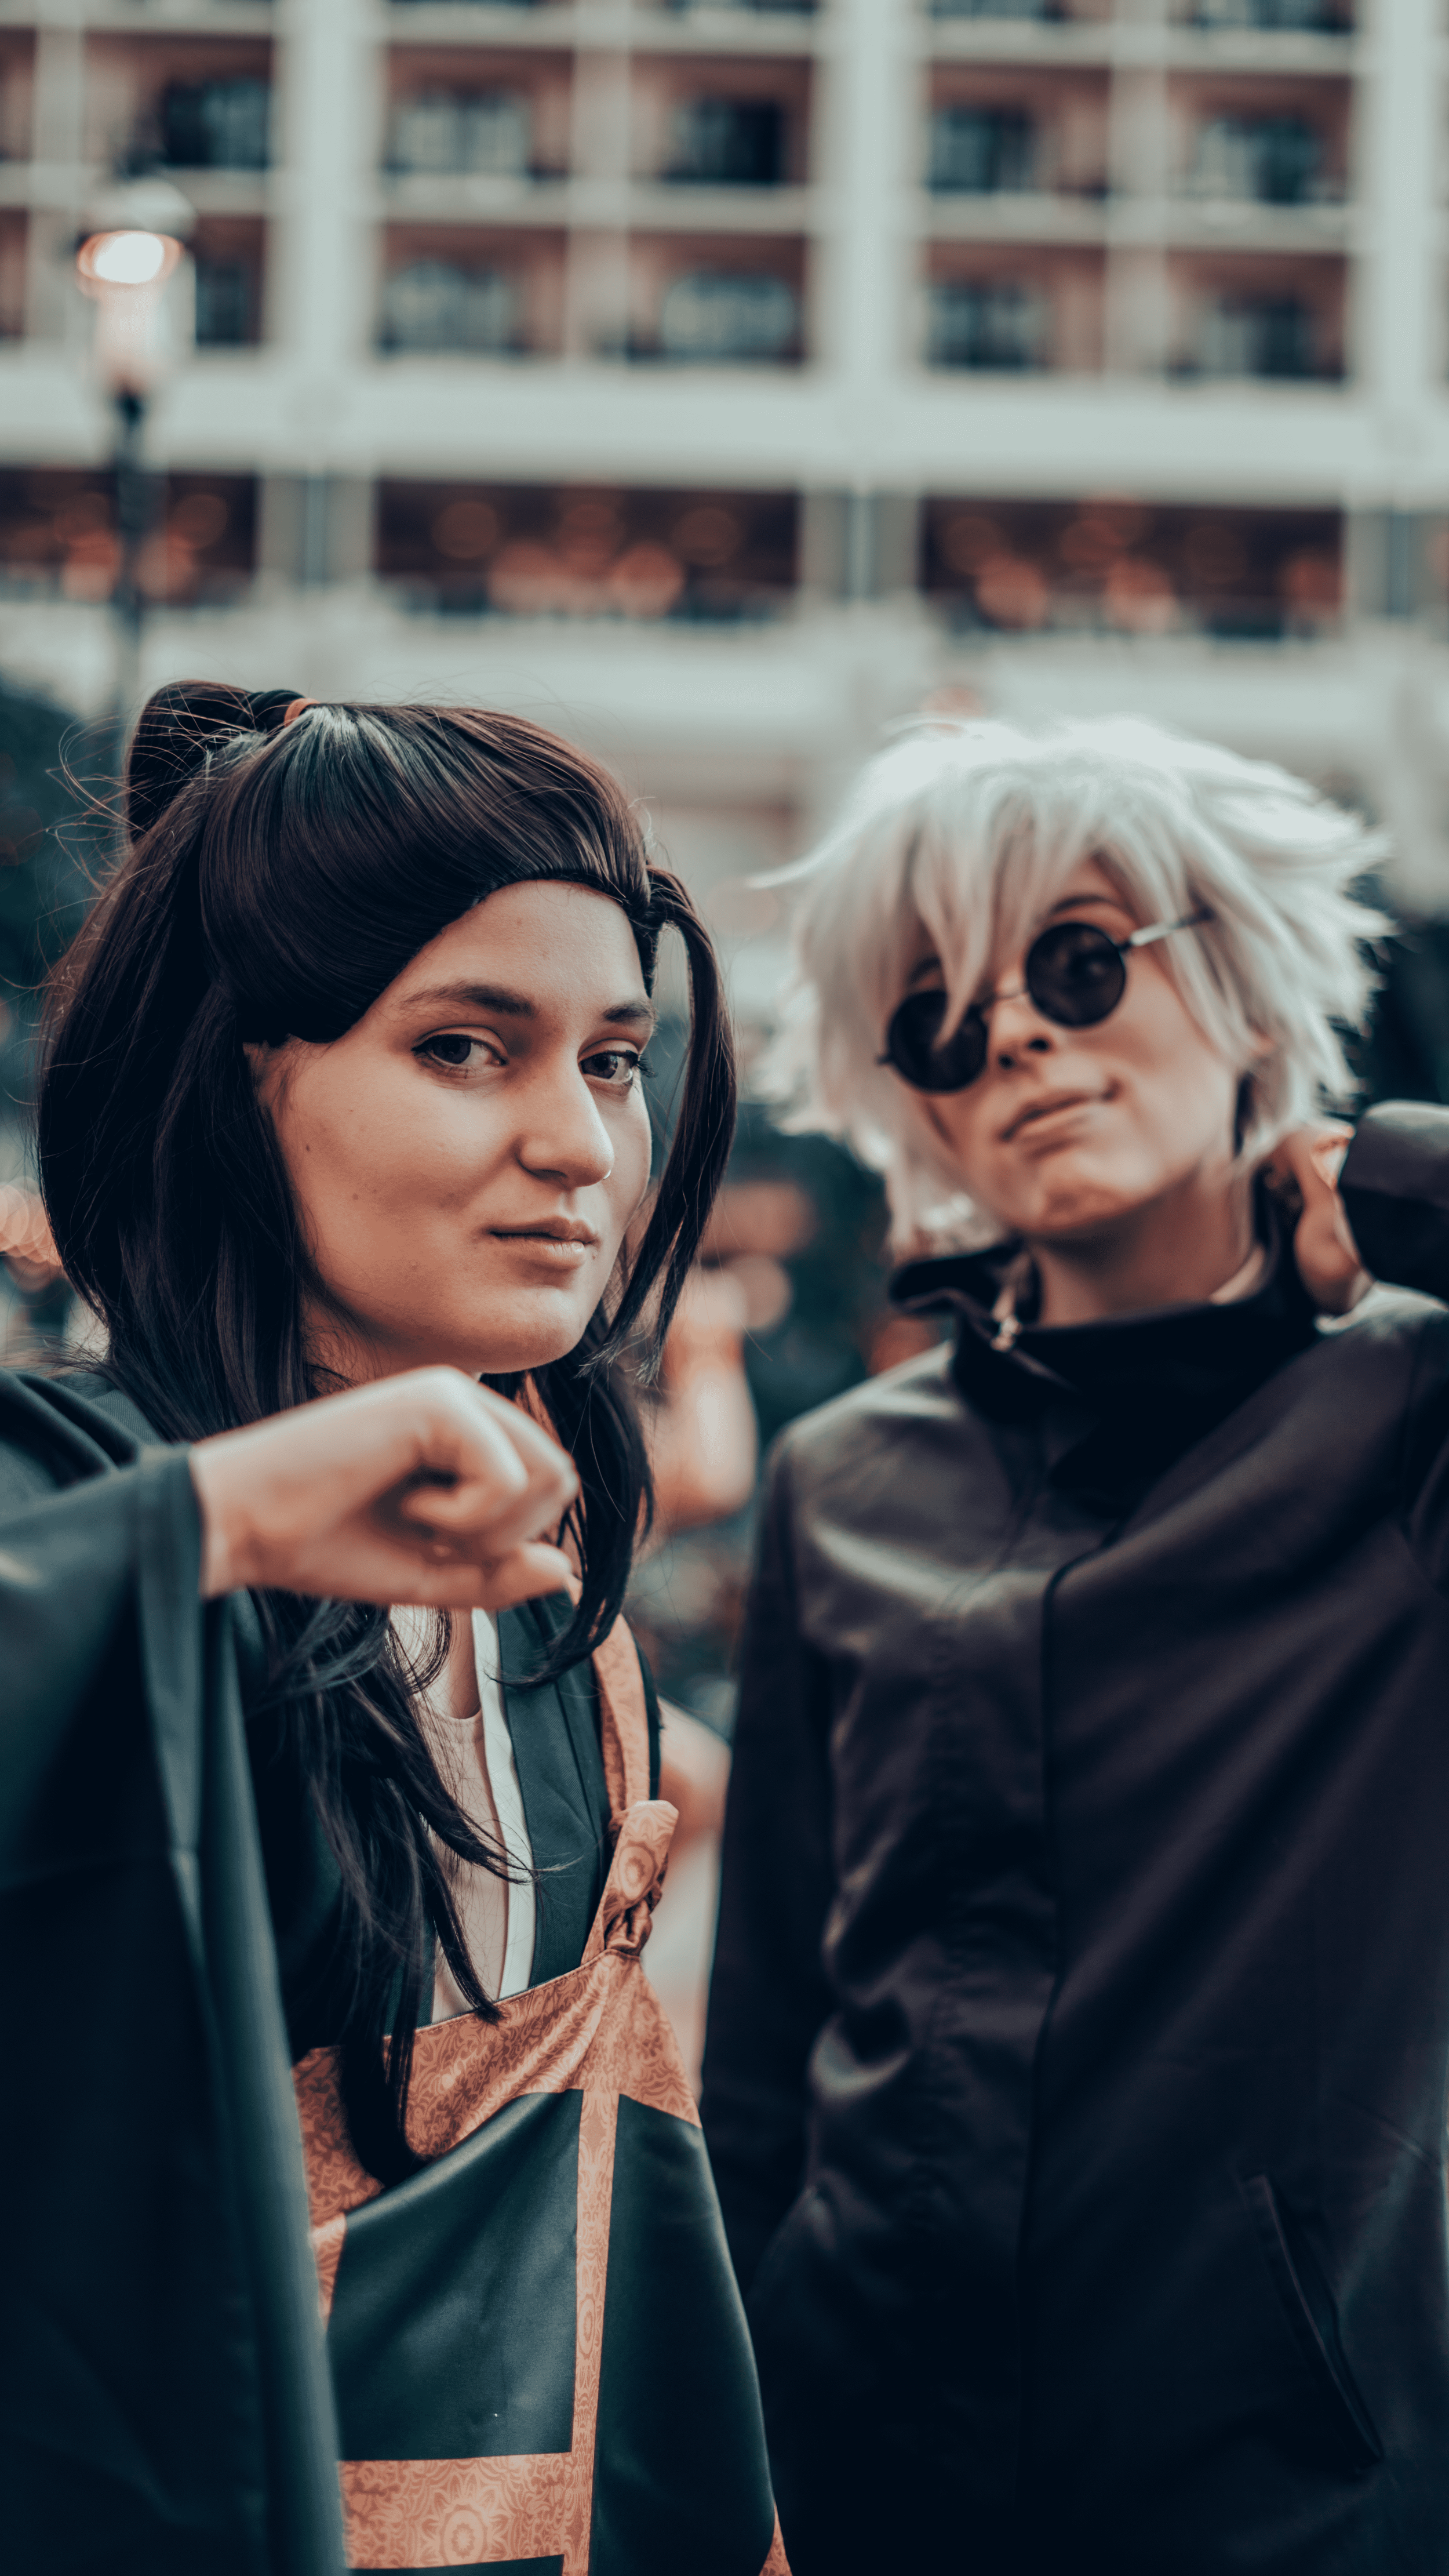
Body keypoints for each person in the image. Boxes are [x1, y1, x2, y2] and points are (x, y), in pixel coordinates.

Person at [2, 684, 787, 2576]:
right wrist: (229, 1518)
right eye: (464, 1047)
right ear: (237, 1076)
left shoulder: (559, 1576)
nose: (584, 1146)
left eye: (612, 1059)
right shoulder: (80, 1481)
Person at [700, 713, 1449, 2575]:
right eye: (943, 1017)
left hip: (1292, 2488)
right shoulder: (840, 1479)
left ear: (1246, 991)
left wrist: (1384, 1187)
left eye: (1078, 961)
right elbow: (763, 2057)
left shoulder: (1411, 1420)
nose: (1018, 1033)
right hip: (872, 2472)